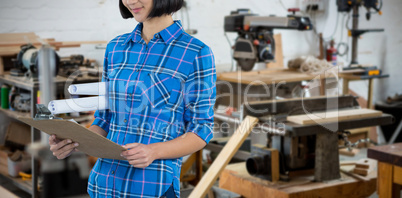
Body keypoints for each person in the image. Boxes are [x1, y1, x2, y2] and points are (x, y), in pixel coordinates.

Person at [49, 0, 216, 197]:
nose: (129, 1)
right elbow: (104, 119)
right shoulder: (116, 48)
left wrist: (154, 151)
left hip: (151, 188)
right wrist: (73, 142)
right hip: (103, 186)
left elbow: (201, 130)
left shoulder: (195, 53)